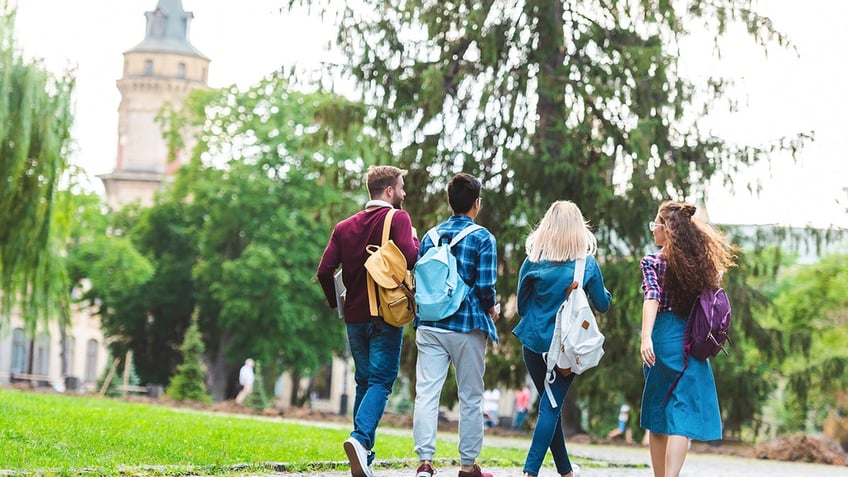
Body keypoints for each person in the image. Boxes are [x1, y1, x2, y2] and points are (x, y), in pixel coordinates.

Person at [317, 165, 420, 477]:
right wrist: (413, 240)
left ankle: (364, 456)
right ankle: (360, 439)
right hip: (385, 316)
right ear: (388, 191)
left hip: (354, 318)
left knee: (364, 381)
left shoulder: (344, 227)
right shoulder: (398, 218)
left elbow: (324, 272)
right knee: (380, 381)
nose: (404, 193)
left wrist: (339, 305)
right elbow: (411, 259)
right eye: (401, 187)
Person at [512, 200, 612, 477]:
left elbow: (522, 307)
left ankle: (566, 471)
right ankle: (529, 472)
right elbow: (602, 305)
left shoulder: (532, 261)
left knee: (549, 405)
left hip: (533, 345)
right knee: (550, 407)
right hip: (565, 350)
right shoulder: (586, 265)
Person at [639, 200, 736, 477]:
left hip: (660, 338)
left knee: (658, 414)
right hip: (690, 342)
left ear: (666, 230)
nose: (653, 231)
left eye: (655, 226)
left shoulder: (653, 262)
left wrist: (646, 337)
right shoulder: (700, 266)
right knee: (681, 414)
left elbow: (652, 298)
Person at [412, 173, 499, 477]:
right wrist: (492, 308)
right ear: (476, 203)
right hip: (466, 326)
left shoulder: (430, 236)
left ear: (450, 202)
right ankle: (467, 465)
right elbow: (486, 286)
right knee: (471, 397)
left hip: (430, 323)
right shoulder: (483, 238)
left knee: (426, 393)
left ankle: (424, 462)